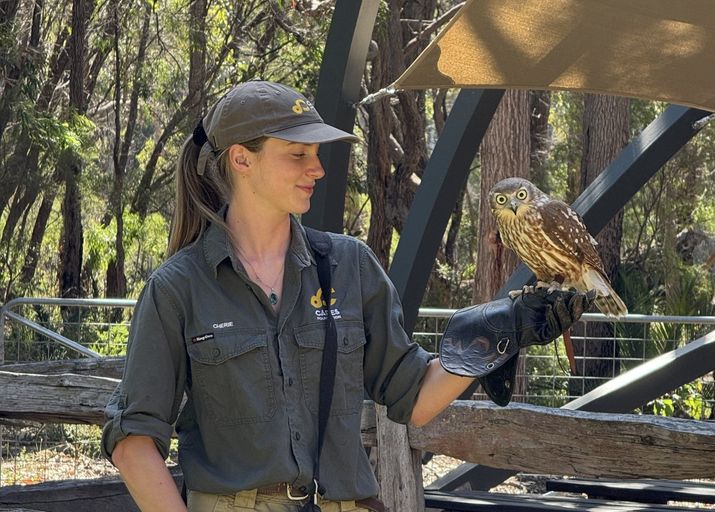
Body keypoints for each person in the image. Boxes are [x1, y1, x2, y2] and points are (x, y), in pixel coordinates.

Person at [101, 80, 591, 512]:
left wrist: (494, 332)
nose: (317, 169)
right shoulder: (178, 287)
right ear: (241, 159)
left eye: (317, 155)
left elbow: (413, 398)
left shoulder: (349, 266)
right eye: (297, 154)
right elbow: (133, 442)